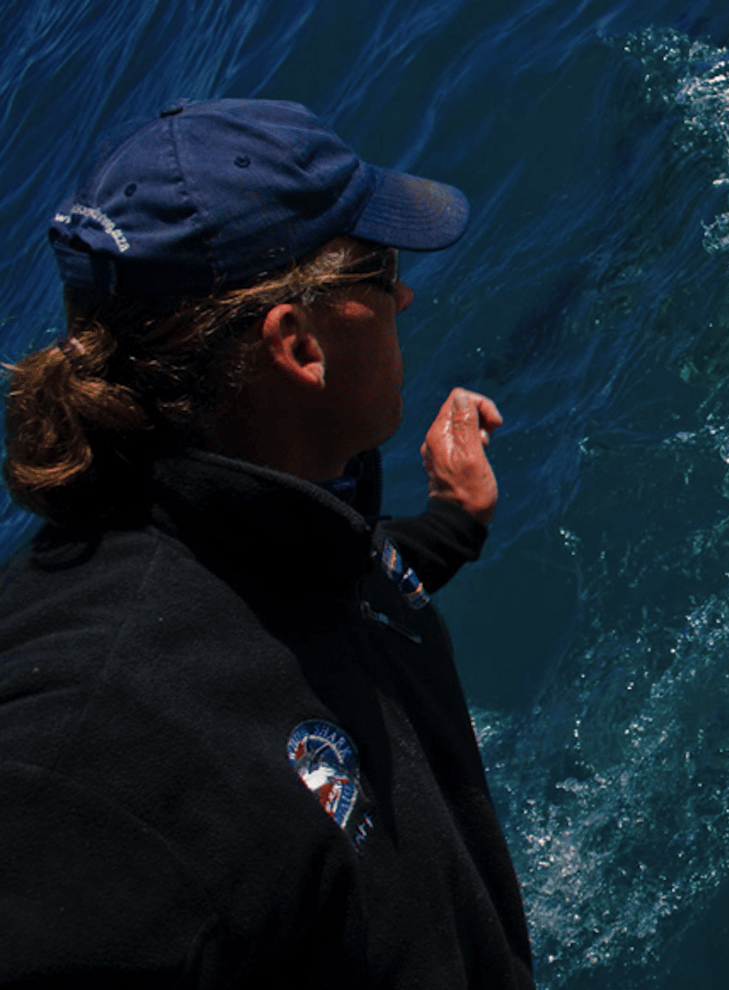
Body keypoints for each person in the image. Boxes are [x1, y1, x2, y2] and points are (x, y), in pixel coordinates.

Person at [0, 98, 534, 988]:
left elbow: (314, 600)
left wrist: (451, 519)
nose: (402, 292)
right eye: (378, 267)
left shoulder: (258, 534)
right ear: (299, 343)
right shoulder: (92, 743)